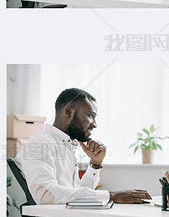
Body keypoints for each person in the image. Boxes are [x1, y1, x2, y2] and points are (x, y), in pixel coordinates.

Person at [15, 88, 151, 205]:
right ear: (68, 112)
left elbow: (77, 193)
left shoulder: (64, 145)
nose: (94, 124)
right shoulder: (41, 143)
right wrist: (112, 196)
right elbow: (45, 194)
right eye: (91, 116)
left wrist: (95, 164)